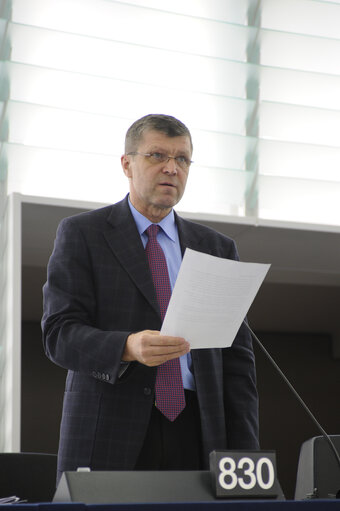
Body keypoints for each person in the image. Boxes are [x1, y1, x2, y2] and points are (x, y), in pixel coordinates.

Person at [42, 114, 259, 484]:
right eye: (157, 155)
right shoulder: (84, 233)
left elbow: (237, 363)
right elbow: (58, 335)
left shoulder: (218, 248)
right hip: (110, 426)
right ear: (127, 164)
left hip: (199, 428)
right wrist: (126, 346)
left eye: (182, 159)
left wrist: (246, 457)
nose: (171, 169)